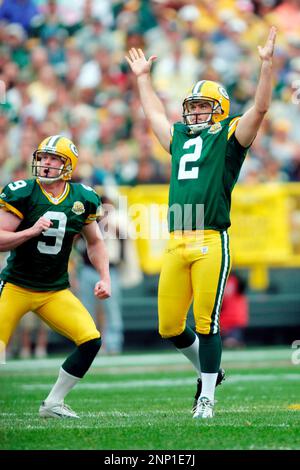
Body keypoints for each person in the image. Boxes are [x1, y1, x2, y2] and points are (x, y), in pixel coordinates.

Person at [126, 26, 276, 419]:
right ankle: (212, 371)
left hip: (210, 238)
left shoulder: (229, 134)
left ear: (220, 109)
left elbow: (259, 110)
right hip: (176, 239)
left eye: (202, 105)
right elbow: (154, 114)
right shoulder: (178, 136)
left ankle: (207, 395)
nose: (194, 111)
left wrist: (265, 66)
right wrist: (143, 81)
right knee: (170, 327)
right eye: (191, 106)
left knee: (206, 321)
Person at [0, 135, 111, 418]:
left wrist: (104, 277)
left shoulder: (83, 198)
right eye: (43, 158)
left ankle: (53, 403)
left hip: (54, 290)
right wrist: (30, 231)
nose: (46, 164)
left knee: (90, 340)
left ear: (68, 165)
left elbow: (96, 242)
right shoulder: (22, 191)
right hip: (16, 285)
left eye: (53, 159)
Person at [220, 271, 249, 349]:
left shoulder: (236, 280)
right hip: (221, 324)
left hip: (235, 323)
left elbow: (242, 283)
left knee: (230, 342)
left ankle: (235, 341)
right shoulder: (219, 281)